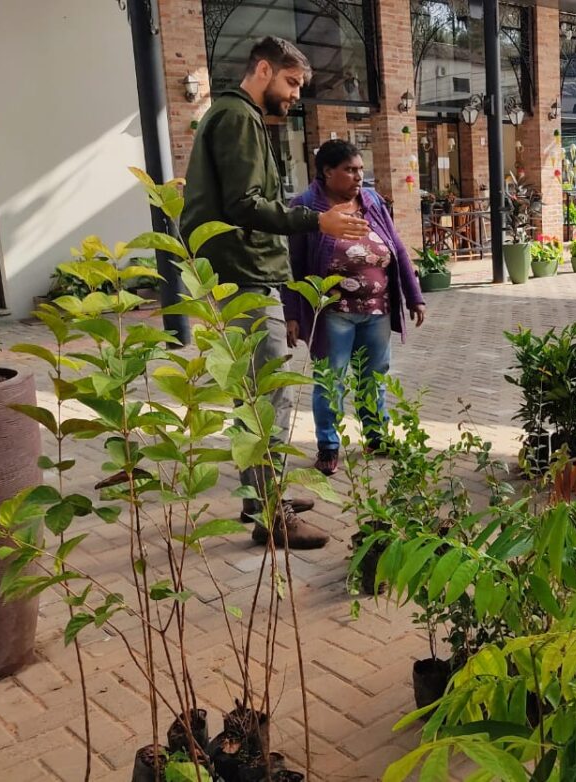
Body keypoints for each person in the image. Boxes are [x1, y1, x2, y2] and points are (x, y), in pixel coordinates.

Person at [182, 36, 368, 550]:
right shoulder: (238, 117)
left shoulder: (233, 115)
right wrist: (317, 220)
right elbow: (245, 205)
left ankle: (261, 496)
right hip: (242, 273)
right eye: (290, 83)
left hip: (238, 271)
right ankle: (271, 515)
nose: (294, 96)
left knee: (256, 394)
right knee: (271, 396)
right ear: (263, 70)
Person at [283, 140, 426, 477]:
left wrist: (414, 294)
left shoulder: (372, 201)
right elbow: (292, 264)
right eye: (349, 170)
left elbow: (398, 249)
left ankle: (376, 437)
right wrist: (292, 313)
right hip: (333, 312)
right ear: (327, 172)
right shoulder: (306, 207)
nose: (358, 176)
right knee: (330, 381)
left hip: (378, 309)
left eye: (360, 169)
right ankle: (328, 447)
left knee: (374, 378)